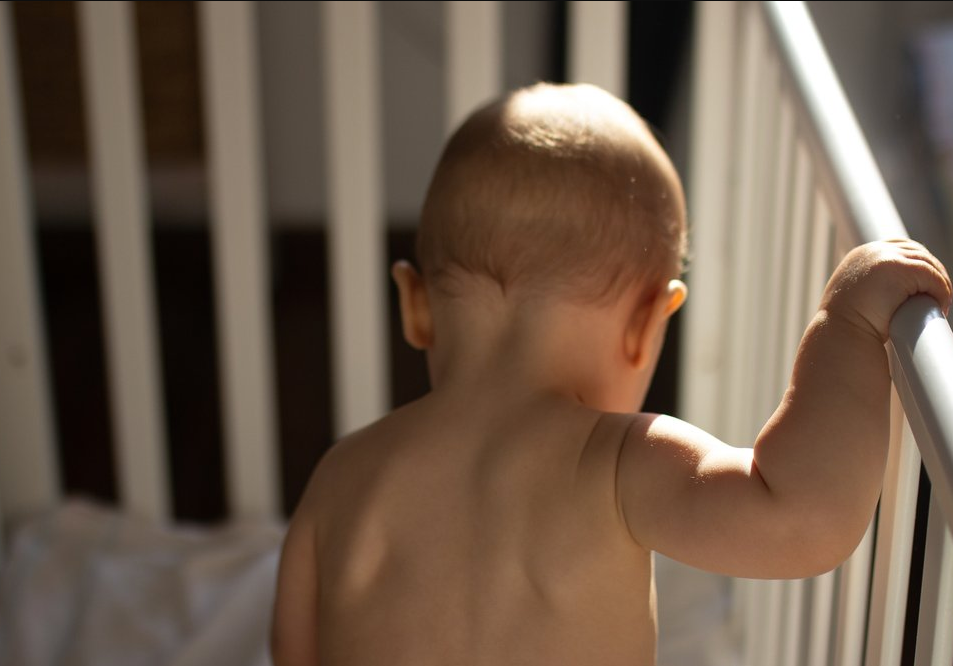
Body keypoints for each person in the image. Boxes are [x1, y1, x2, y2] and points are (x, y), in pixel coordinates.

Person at [270, 82, 951, 665]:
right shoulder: (617, 463)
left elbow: (292, 652)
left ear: (416, 306)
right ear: (645, 326)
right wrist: (845, 323)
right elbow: (802, 519)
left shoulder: (340, 477)